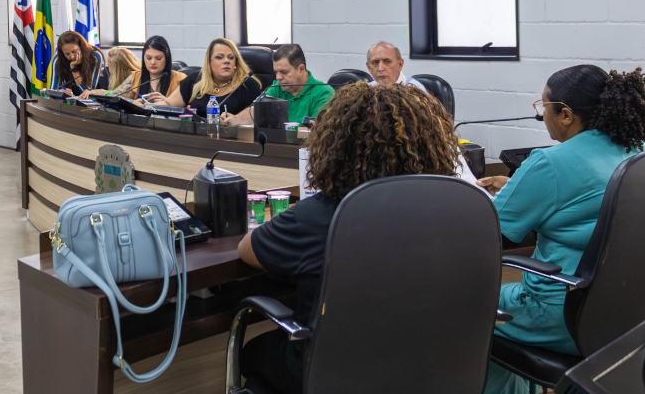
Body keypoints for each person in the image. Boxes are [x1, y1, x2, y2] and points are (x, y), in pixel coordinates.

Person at [236, 83, 461, 394]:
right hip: (432, 363)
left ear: (335, 146)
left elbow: (247, 250)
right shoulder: (453, 209)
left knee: (252, 355)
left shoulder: (320, 215)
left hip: (334, 371)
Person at [475, 66, 645, 394]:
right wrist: (518, 187)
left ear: (565, 115)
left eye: (544, 107)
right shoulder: (644, 152)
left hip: (562, 312)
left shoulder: (549, 162)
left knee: (469, 308)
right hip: (634, 311)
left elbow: (486, 231)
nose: (542, 115)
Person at [163, 38, 263, 121]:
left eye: (231, 57)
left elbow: (256, 112)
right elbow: (168, 104)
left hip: (233, 137)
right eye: (219, 57)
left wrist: (236, 119)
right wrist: (152, 108)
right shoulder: (195, 80)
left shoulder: (247, 83)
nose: (226, 61)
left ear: (236, 62)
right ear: (209, 62)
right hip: (196, 136)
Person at [237, 44, 334, 125]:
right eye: (276, 72)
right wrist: (235, 119)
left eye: (284, 72)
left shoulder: (324, 93)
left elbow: (317, 130)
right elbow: (257, 112)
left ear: (301, 69)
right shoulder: (276, 87)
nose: (278, 77)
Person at [112, 35, 187, 105]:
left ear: (167, 58)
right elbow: (112, 98)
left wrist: (168, 102)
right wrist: (133, 102)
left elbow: (190, 107)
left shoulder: (180, 79)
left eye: (158, 58)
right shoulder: (136, 77)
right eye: (149, 58)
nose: (153, 62)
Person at [53, 31, 108, 98]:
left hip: (98, 99)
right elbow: (53, 89)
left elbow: (88, 92)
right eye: (67, 54)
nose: (72, 56)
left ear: (81, 47)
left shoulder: (95, 56)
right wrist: (60, 91)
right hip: (73, 99)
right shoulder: (58, 58)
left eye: (74, 51)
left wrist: (74, 68)